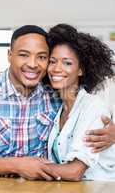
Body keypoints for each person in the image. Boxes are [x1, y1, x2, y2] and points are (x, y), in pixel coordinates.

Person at [0, 25, 61, 180]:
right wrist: (17, 165)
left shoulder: (56, 96)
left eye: (42, 57)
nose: (33, 64)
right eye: (24, 55)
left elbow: (89, 116)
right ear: (10, 55)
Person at [45, 23, 115, 181]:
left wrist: (25, 167)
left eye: (67, 63)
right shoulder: (58, 107)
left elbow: (74, 171)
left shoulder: (93, 107)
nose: (57, 68)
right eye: (52, 61)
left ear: (81, 70)